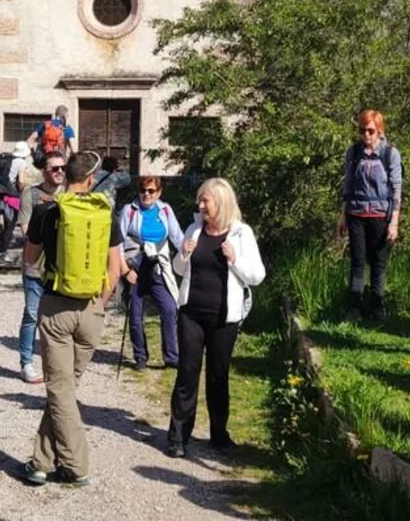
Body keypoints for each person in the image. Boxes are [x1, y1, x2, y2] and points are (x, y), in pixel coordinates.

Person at [19, 152, 123, 487]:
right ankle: (40, 462)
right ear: (91, 179)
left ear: (65, 176)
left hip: (56, 308)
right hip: (91, 309)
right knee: (64, 389)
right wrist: (99, 304)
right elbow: (115, 270)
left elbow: (30, 260)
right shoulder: (104, 212)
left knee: (60, 390)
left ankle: (76, 467)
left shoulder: (46, 211)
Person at [167, 178, 265, 456]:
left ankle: (219, 434)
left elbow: (257, 276)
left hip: (224, 317)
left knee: (218, 376)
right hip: (191, 314)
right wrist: (183, 255)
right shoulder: (194, 229)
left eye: (205, 201)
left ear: (221, 203)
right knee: (187, 373)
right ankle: (177, 438)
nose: (200, 206)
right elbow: (179, 269)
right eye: (200, 200)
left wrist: (234, 260)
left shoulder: (241, 234)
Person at [338, 109, 403, 321]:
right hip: (356, 213)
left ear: (379, 131)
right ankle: (354, 306)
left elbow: (396, 189)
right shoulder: (353, 152)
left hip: (380, 215)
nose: (366, 135)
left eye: (370, 131)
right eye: (362, 130)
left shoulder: (390, 154)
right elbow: (348, 185)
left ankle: (377, 304)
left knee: (378, 260)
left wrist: (394, 222)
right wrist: (342, 215)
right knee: (357, 260)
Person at [118, 176, 185, 370]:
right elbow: (117, 244)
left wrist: (189, 257)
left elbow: (178, 238)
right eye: (142, 190)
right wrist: (125, 271)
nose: (146, 194)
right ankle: (140, 356)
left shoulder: (165, 210)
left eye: (151, 190)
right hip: (135, 267)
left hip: (157, 267)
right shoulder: (129, 211)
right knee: (135, 314)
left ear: (159, 192)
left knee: (169, 308)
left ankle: (171, 357)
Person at [16, 151, 66, 384]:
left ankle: (54, 363)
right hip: (35, 266)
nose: (59, 172)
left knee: (57, 318)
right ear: (44, 171)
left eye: (62, 168)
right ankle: (26, 363)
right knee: (32, 314)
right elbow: (25, 229)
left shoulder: (69, 195)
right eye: (54, 168)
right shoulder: (31, 194)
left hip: (60, 268)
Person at [0, 141, 30, 256]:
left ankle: (1, 250)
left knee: (7, 225)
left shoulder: (6, 161)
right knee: (10, 226)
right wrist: (23, 189)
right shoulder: (22, 162)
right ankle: (2, 254)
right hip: (10, 198)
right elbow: (21, 181)